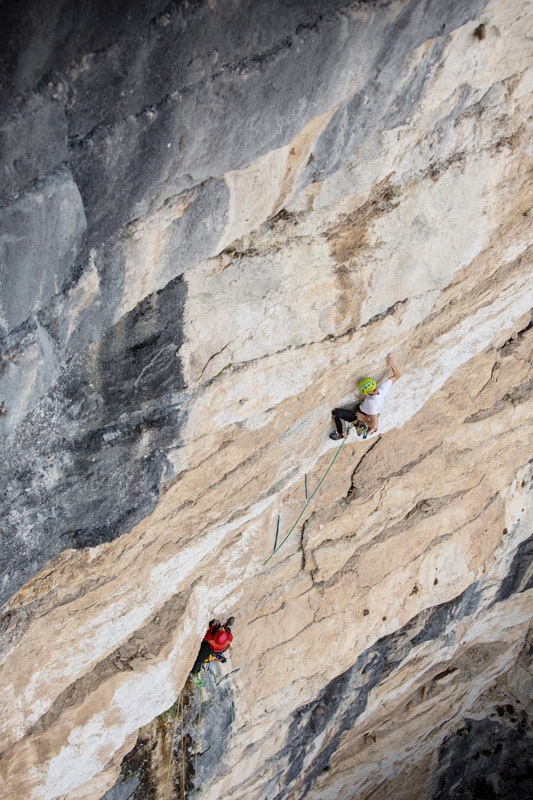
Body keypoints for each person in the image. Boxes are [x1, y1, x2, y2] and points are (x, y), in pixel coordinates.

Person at [330, 354, 401, 440]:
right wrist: (391, 363)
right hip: (365, 411)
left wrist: (362, 418)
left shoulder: (372, 403)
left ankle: (342, 434)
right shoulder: (383, 389)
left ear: (367, 393)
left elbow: (374, 425)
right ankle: (361, 424)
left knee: (337, 413)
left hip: (360, 415)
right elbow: (397, 375)